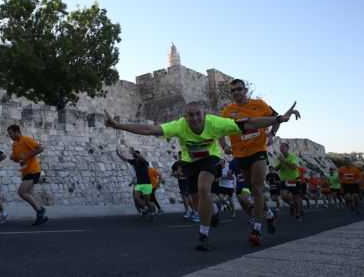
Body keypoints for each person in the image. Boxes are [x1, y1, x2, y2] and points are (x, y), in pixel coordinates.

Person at [104, 100, 300, 251]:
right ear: (185, 117)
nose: (195, 119)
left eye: (198, 115)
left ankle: (203, 235)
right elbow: (150, 129)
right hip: (190, 162)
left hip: (211, 159)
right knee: (198, 202)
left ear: (204, 114)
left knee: (204, 187)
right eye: (190, 116)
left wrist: (277, 119)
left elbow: (249, 124)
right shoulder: (179, 126)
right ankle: (213, 211)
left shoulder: (215, 123)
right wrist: (118, 126)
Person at [220, 79, 281, 246]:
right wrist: (224, 145)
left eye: (239, 89)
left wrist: (271, 135)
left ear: (245, 90)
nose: (237, 93)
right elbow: (220, 130)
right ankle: (268, 215)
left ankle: (257, 229)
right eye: (233, 91)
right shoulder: (228, 111)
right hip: (240, 155)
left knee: (257, 186)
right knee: (252, 189)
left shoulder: (259, 104)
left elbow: (277, 118)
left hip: (258, 151)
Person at [8, 124, 48, 225]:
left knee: (21, 192)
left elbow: (40, 148)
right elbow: (18, 159)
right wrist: (14, 158)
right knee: (30, 195)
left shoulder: (26, 139)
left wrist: (26, 156)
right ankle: (40, 216)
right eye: (9, 134)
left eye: (11, 133)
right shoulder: (14, 145)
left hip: (34, 171)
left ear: (17, 132)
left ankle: (40, 211)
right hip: (25, 172)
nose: (10, 136)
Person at [117, 147, 156, 217]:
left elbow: (142, 158)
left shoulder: (144, 162)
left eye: (137, 154)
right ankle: (145, 208)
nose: (135, 155)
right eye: (135, 155)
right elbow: (125, 159)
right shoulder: (134, 161)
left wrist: (134, 152)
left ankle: (152, 209)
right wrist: (118, 154)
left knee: (147, 201)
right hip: (139, 183)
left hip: (147, 183)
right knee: (136, 198)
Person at [276, 143, 303, 221]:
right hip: (284, 180)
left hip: (294, 179)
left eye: (283, 147)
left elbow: (294, 167)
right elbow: (276, 168)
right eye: (280, 148)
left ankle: (298, 214)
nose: (281, 149)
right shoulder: (279, 157)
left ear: (287, 148)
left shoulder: (292, 156)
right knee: (283, 196)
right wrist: (281, 162)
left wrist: (284, 161)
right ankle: (291, 204)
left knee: (296, 197)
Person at [171, 153, 195, 220]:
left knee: (186, 196)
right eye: (180, 156)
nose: (181, 157)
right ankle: (192, 211)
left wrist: (180, 173)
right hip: (181, 181)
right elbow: (172, 173)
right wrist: (175, 174)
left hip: (186, 181)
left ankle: (189, 211)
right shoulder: (177, 163)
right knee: (186, 196)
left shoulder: (187, 163)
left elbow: (191, 173)